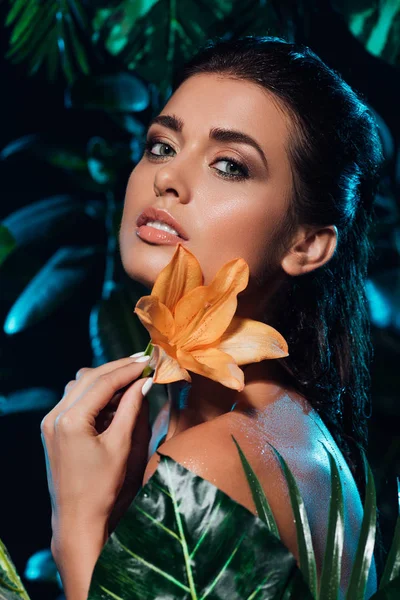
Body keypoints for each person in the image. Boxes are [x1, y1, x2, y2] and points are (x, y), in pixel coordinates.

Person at [41, 35, 383, 600]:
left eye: (229, 165)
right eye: (161, 146)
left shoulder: (216, 458)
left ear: (308, 245)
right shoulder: (271, 429)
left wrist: (75, 529)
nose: (167, 180)